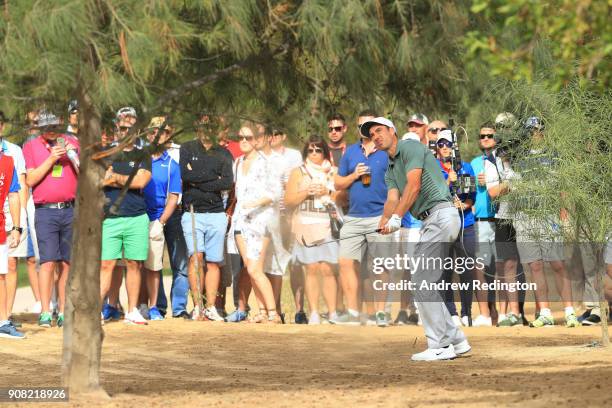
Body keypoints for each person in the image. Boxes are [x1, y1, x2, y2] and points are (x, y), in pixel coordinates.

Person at [363, 116, 470, 361]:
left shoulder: (409, 147)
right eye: (371, 135)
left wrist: (397, 218)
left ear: (392, 131)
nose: (375, 137)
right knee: (424, 281)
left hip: (441, 215)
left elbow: (414, 186)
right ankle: (457, 340)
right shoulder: (390, 168)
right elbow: (392, 199)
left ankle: (441, 346)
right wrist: (385, 221)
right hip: (431, 221)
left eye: (379, 131)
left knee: (422, 281)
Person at [512, 117, 579, 328]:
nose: (535, 133)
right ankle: (545, 312)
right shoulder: (517, 158)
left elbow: (562, 187)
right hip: (525, 216)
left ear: (544, 131)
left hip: (548, 215)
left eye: (539, 129)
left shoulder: (554, 156)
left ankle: (569, 312)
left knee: (558, 264)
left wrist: (564, 213)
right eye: (531, 130)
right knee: (535, 266)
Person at [333, 109, 394, 327]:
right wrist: (354, 175)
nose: (366, 129)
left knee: (381, 266)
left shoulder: (386, 151)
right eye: (361, 126)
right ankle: (352, 313)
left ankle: (380, 313)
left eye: (370, 125)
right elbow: (337, 184)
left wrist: (391, 215)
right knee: (345, 262)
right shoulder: (350, 152)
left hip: (380, 216)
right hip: (353, 218)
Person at [23, 111, 79, 328]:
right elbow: (31, 179)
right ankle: (46, 311)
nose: (51, 130)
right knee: (47, 262)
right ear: (40, 127)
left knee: (67, 263)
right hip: (45, 211)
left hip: (70, 210)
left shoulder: (72, 141)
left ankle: (64, 311)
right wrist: (52, 158)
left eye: (54, 125)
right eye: (47, 126)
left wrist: (73, 155)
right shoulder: (31, 146)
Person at [99, 115, 152, 325]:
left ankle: (132, 311)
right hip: (110, 218)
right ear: (116, 129)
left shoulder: (143, 155)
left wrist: (115, 178)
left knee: (134, 264)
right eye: (121, 128)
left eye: (130, 129)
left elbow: (141, 182)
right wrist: (123, 179)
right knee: (106, 265)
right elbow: (99, 179)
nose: (125, 132)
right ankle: (97, 311)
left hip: (137, 217)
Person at [180, 116, 233, 321]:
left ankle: (211, 307)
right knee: (196, 258)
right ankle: (197, 306)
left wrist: (200, 181)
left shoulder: (224, 153)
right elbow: (186, 175)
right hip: (192, 212)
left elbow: (227, 182)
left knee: (213, 262)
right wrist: (213, 179)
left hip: (217, 213)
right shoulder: (187, 148)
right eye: (203, 126)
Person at [231, 123, 283, 323]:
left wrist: (253, 203)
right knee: (249, 269)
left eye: (248, 138)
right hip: (240, 222)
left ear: (256, 140)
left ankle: (273, 313)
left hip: (261, 222)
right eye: (240, 137)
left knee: (255, 269)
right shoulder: (236, 163)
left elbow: (274, 193)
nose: (244, 141)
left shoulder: (265, 163)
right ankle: (262, 311)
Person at [285, 135, 339, 324]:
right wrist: (306, 192)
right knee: (312, 269)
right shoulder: (298, 173)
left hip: (327, 226)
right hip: (304, 227)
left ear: (325, 152)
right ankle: (314, 312)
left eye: (318, 150)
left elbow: (343, 198)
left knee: (328, 270)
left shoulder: (333, 172)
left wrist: (328, 192)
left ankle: (332, 313)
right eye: (310, 150)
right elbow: (288, 201)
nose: (315, 153)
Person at [141, 117, 182, 320]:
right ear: (148, 135)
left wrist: (161, 222)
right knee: (133, 264)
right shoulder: (139, 158)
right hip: (136, 216)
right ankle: (136, 305)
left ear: (168, 136)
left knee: (154, 266)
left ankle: (154, 306)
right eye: (153, 132)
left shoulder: (172, 165)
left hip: (156, 218)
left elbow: (173, 197)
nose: (157, 136)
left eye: (163, 132)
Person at [435, 130, 476, 327]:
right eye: (440, 144)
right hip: (443, 225)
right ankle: (451, 312)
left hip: (465, 224)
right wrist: (447, 181)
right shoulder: (433, 168)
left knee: (466, 270)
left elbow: (471, 196)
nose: (444, 147)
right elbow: (433, 194)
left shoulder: (465, 167)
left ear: (454, 147)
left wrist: (466, 205)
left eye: (448, 144)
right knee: (446, 270)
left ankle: (467, 312)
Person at [270, 129, 305, 323]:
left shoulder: (294, 156)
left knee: (296, 264)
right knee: (273, 265)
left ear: (284, 136)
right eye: (270, 133)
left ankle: (300, 311)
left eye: (277, 133)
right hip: (271, 217)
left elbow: (299, 183)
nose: (273, 136)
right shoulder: (263, 156)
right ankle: (276, 310)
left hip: (292, 215)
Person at [0, 112, 31, 328]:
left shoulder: (13, 152)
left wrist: (19, 224)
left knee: (8, 266)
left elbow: (19, 187)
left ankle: (5, 316)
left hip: (9, 213)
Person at [470, 122, 499, 327]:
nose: (486, 139)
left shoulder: (503, 160)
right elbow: (468, 189)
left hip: (501, 219)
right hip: (480, 221)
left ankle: (504, 314)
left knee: (502, 269)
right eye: (482, 136)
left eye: (489, 135)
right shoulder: (473, 163)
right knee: (480, 268)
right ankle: (485, 314)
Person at [0, 148, 23, 339]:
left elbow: (14, 194)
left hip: (0, 226)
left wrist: (16, 227)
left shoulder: (7, 162)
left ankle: (2, 322)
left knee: (0, 275)